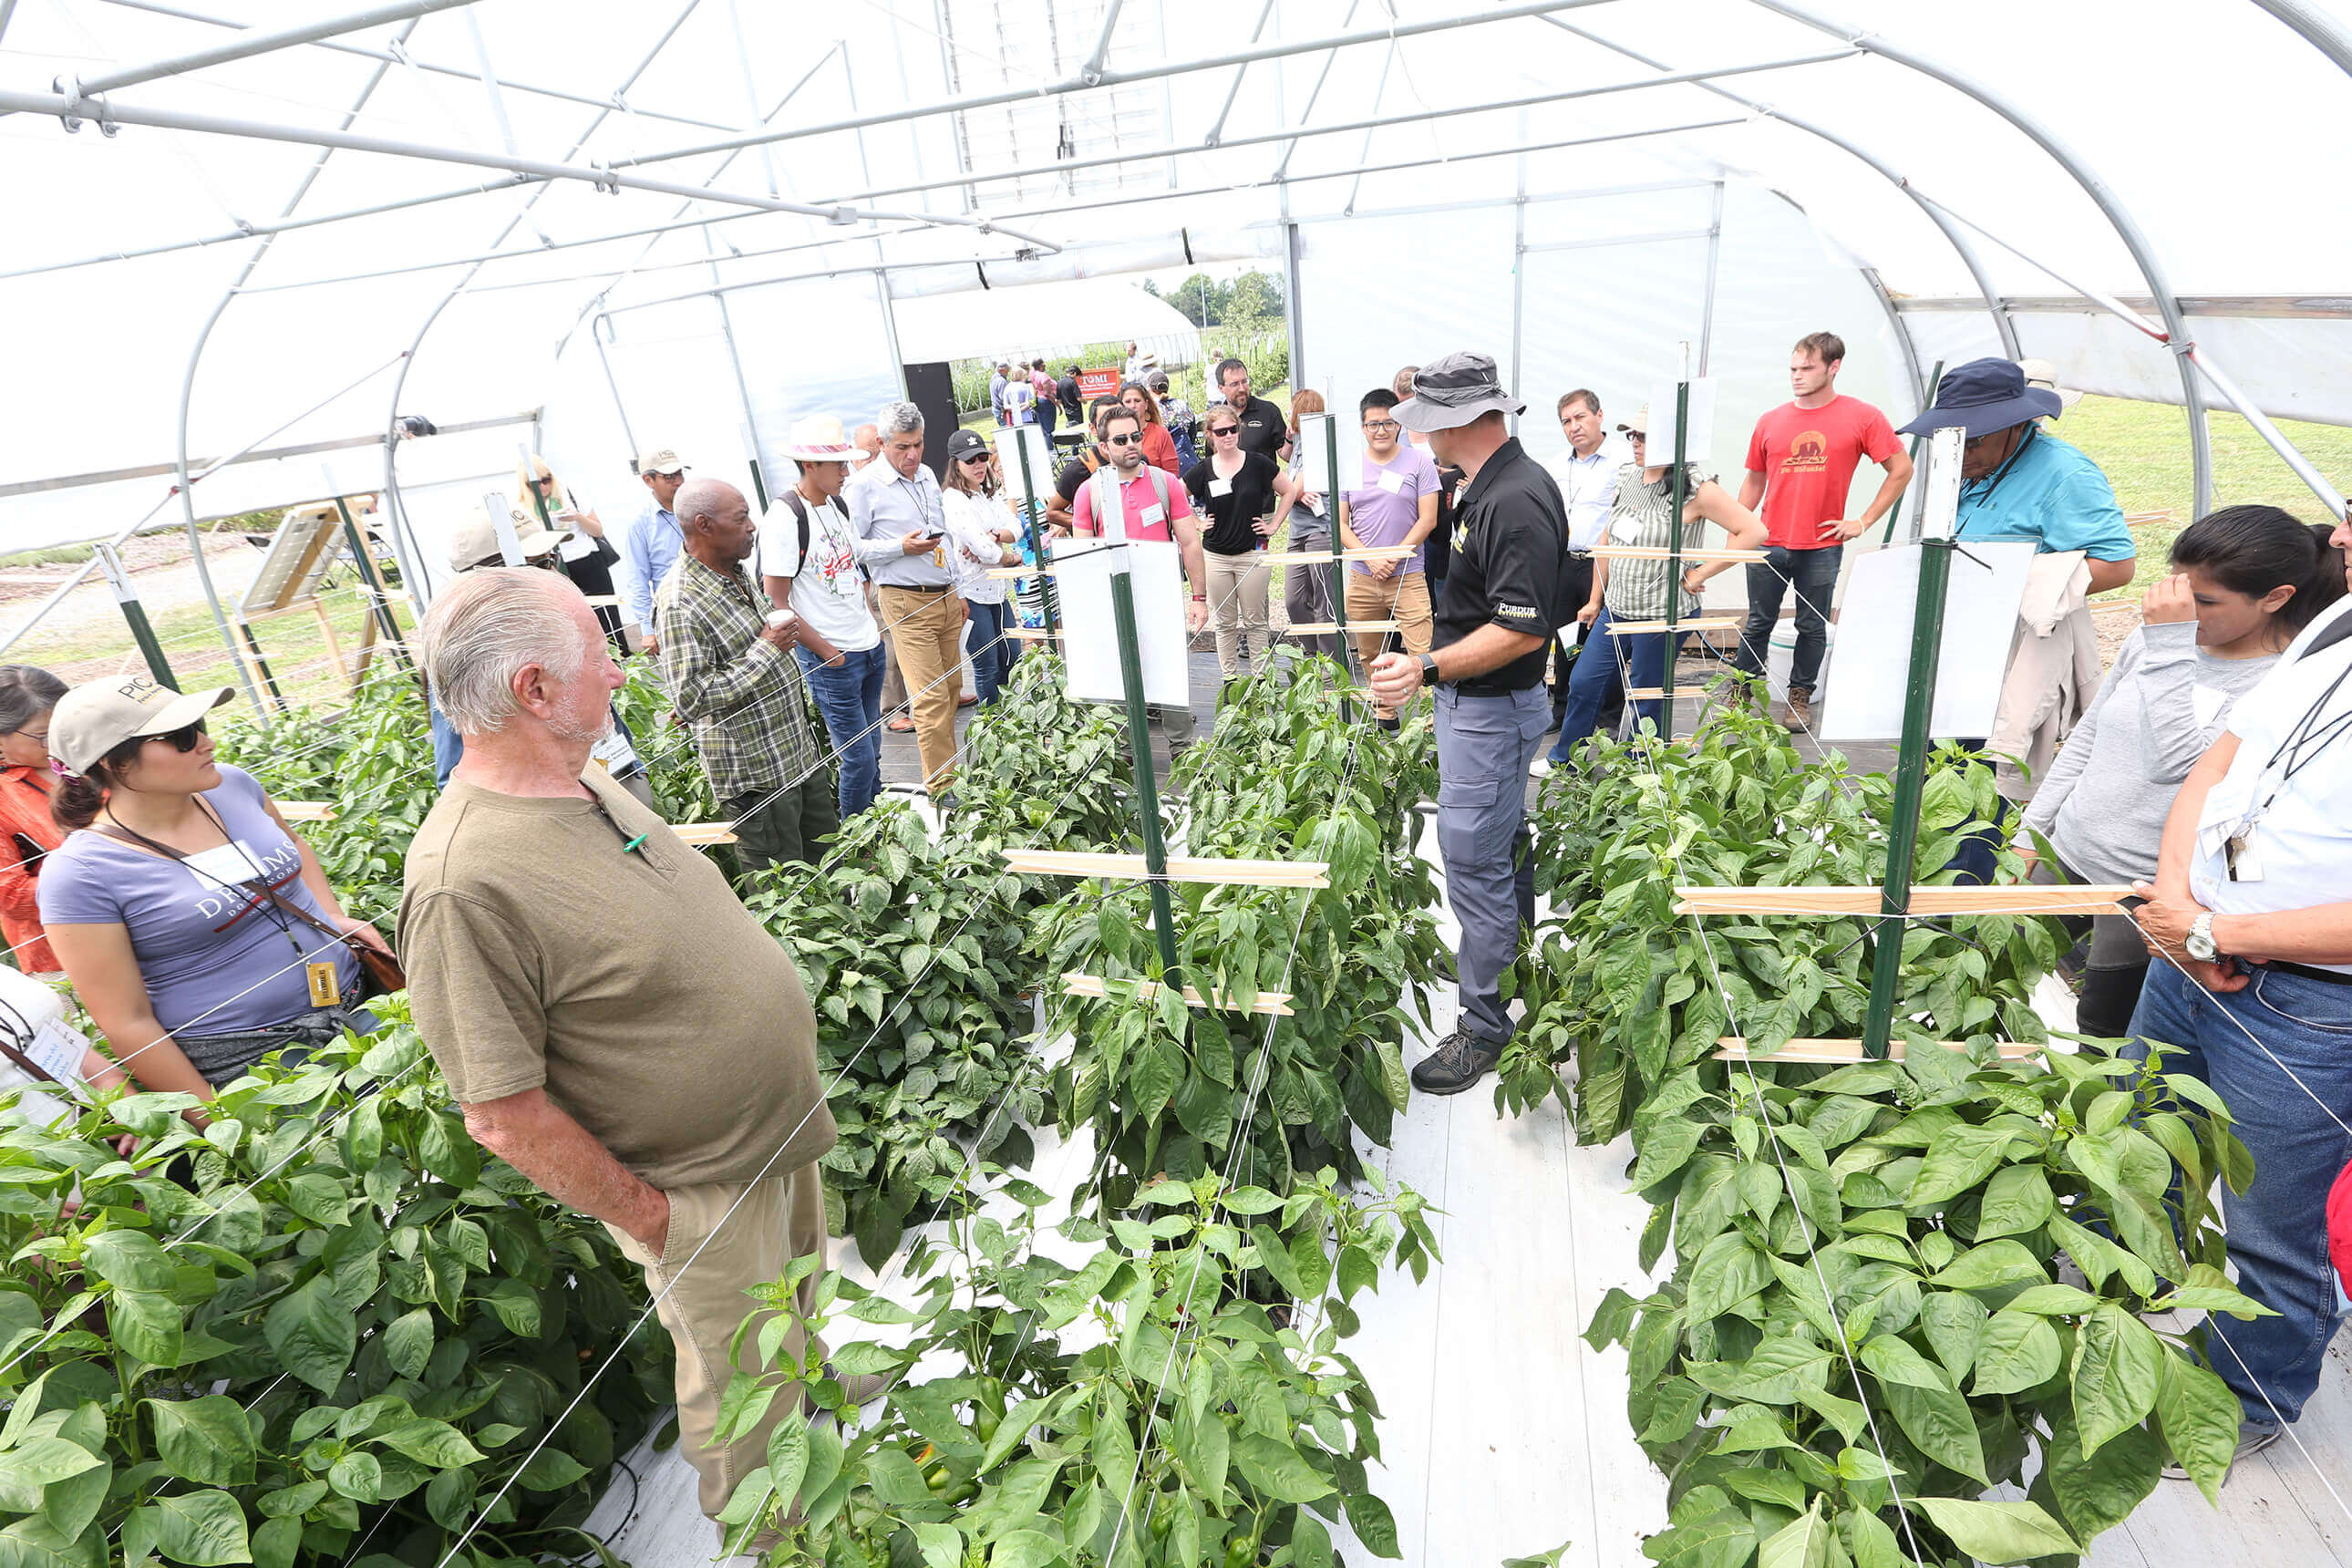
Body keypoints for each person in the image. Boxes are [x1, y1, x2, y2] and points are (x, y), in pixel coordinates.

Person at [398, 567, 876, 1532]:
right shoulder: (462, 882)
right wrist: (657, 1221)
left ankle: (816, 1379)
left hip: (766, 1138)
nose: (619, 673)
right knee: (738, 1387)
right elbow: (500, 1113)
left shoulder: (581, 778)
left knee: (793, 1294)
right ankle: (780, 1534)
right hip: (695, 1184)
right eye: (598, 656)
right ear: (534, 688)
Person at [2123, 511, 2352, 1465]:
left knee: (2274, 1229)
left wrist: (2217, 929)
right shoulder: (2335, 628)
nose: (2343, 536)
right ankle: (2121, 1308)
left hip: (2308, 1003)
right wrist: (2176, 905)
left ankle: (2241, 1407)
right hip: (2189, 955)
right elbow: (2217, 766)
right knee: (2140, 1144)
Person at [2019, 506, 2344, 1037]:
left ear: (2275, 598)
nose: (2187, 611)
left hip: (2149, 887)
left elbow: (2174, 767)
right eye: (2179, 588)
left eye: (2206, 601)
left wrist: (2171, 647)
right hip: (2068, 851)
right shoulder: (2151, 640)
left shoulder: (2282, 683)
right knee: (2000, 973)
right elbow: (2087, 738)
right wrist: (2030, 835)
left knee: (2102, 1023)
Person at [1365, 355, 1570, 1097]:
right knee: (1500, 842)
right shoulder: (1492, 485)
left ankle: (1483, 1026)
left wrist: (1425, 668)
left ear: (1459, 420)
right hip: (1486, 708)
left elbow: (1520, 628)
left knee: (1474, 862)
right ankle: (1511, 971)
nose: (1417, 433)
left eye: (1426, 420)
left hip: (1488, 711)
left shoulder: (1512, 500)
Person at [40, 676, 391, 1093]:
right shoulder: (80, 874)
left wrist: (330, 915)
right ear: (111, 762)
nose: (206, 743)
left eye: (199, 726)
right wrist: (215, 1117)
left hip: (358, 999)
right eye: (182, 737)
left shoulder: (233, 785)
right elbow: (127, 1023)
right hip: (255, 1064)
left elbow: (294, 844)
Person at [1550, 406, 1767, 763]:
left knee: (1646, 695)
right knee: (1584, 682)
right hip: (1617, 608)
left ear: (1672, 441)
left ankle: (1641, 770)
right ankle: (1566, 760)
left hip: (1661, 614)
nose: (1635, 442)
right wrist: (1595, 599)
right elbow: (1608, 538)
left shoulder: (1696, 488)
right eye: (1631, 435)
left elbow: (1753, 531)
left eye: (1644, 436)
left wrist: (1701, 572)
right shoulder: (1627, 475)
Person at [1728, 332, 1914, 729]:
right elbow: (1754, 481)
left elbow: (1901, 469)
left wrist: (1862, 521)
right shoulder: (1770, 420)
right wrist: (1736, 533)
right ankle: (1741, 692)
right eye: (1793, 369)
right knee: (1758, 621)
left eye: (1807, 368)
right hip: (1767, 540)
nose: (1796, 376)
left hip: (1822, 545)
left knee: (1812, 624)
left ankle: (1800, 697)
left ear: (1834, 367)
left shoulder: (1863, 416)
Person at [658, 480, 840, 872]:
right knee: (783, 889)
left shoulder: (735, 572)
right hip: (757, 780)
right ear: (705, 525)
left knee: (829, 869)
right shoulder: (680, 602)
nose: (752, 526)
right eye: (741, 518)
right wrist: (767, 648)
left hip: (797, 755)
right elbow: (690, 698)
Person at [430, 507, 655, 808]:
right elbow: (457, 780)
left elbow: (607, 716)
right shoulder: (468, 661)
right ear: (491, 577)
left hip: (619, 787)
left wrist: (635, 771)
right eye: (541, 564)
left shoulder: (558, 626)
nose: (555, 574)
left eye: (553, 559)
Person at [759, 416, 888, 820]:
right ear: (810, 465)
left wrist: (870, 622)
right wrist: (828, 652)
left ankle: (877, 824)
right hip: (833, 658)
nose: (845, 472)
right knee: (857, 758)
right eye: (837, 465)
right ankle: (856, 836)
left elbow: (852, 564)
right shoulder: (784, 517)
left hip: (866, 646)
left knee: (873, 749)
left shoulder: (837, 504)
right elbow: (775, 600)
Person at [1072, 405, 1214, 748]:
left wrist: (1198, 598)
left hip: (1161, 598)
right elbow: (1082, 558)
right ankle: (1124, 750)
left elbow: (1189, 542)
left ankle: (1182, 749)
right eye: (1120, 440)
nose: (1131, 445)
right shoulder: (1089, 492)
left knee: (1171, 673)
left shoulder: (1165, 483)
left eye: (1135, 436)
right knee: (1117, 676)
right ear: (1103, 446)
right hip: (1113, 603)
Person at [848, 401, 967, 793]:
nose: (913, 454)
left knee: (951, 690)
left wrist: (957, 588)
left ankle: (949, 773)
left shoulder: (927, 475)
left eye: (918, 444)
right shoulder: (863, 486)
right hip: (905, 600)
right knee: (930, 699)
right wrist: (900, 547)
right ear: (881, 445)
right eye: (902, 447)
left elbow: (943, 537)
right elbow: (851, 548)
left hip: (943, 594)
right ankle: (943, 789)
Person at [1338, 388, 1441, 723]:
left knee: (1422, 650)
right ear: (1363, 427)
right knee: (1370, 652)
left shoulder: (1419, 463)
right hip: (1363, 576)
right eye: (1373, 424)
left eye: (1387, 423)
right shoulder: (1350, 466)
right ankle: (1384, 712)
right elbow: (1340, 524)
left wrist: (1394, 557)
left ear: (1398, 425)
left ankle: (1429, 720)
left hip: (1408, 574)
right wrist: (1370, 558)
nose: (1380, 430)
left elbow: (1428, 519)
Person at [1183, 397, 1301, 685]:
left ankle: (1261, 682)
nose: (1228, 436)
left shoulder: (1258, 463)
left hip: (1252, 552)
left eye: (1233, 430)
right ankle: (1230, 680)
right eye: (1221, 431)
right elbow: (1177, 494)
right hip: (1216, 555)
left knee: (1255, 621)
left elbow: (1289, 490)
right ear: (1210, 435)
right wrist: (1197, 522)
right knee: (1225, 622)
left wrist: (1274, 524)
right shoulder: (1204, 469)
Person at [1541, 388, 1627, 740]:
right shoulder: (1555, 465)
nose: (1574, 426)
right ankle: (1563, 709)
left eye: (1580, 417)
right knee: (1566, 639)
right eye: (1566, 421)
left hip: (1604, 563)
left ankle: (1609, 714)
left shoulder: (1622, 461)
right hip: (1565, 561)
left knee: (1606, 640)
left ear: (1599, 415)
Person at [941, 428, 1026, 706]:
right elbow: (982, 550)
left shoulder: (987, 495)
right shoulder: (953, 499)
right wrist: (1007, 556)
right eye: (970, 460)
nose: (978, 465)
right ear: (956, 464)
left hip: (997, 590)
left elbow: (1017, 527)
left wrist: (994, 535)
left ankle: (1008, 716)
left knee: (1012, 657)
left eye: (982, 458)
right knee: (986, 664)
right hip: (971, 593)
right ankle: (991, 722)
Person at [0, 666, 69, 978]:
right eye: (43, 735)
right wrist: (101, 887)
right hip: (62, 959)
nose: (58, 740)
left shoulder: (89, 758)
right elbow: (10, 895)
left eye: (64, 725)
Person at [519, 457, 626, 644]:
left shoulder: (568, 493)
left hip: (587, 559)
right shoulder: (523, 509)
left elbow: (597, 530)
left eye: (546, 480)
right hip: (556, 567)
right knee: (575, 622)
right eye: (534, 484)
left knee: (608, 615)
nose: (543, 487)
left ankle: (621, 653)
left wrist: (577, 517)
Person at [1277, 394, 1345, 665]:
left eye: (1291, 410)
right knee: (1293, 600)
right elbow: (1289, 483)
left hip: (1320, 530)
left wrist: (1293, 492)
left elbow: (1290, 489)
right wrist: (1294, 492)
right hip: (1298, 531)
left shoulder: (1318, 445)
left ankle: (1331, 662)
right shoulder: (1299, 444)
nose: (1287, 414)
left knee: (1323, 599)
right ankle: (1312, 652)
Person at [1395, 365, 1460, 604]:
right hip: (1406, 519)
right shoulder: (1395, 431)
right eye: (1401, 404)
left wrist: (1438, 472)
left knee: (1438, 581)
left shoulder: (1443, 428)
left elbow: (1463, 467)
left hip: (1440, 521)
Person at [618, 447, 689, 655]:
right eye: (669, 477)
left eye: (679, 473)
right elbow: (638, 578)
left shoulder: (699, 506)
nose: (678, 481)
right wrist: (648, 629)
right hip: (676, 611)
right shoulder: (641, 523)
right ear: (648, 480)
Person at [1046, 397, 1127, 534]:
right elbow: (1052, 512)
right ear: (1093, 429)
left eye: (1120, 419)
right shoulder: (1078, 470)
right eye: (1106, 421)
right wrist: (1090, 524)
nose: (1115, 427)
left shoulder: (1138, 461)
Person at [1217, 357, 1290, 467]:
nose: (1242, 389)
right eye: (1235, 384)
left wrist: (1290, 439)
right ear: (1221, 388)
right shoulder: (1216, 420)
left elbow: (1286, 456)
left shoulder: (1269, 412)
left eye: (1244, 382)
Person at [1120, 381, 1181, 476]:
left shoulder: (1160, 434)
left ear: (1146, 404)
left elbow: (1172, 474)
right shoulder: (1115, 436)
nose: (1133, 406)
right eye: (1128, 402)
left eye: (1137, 401)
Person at [1150, 367, 1198, 470]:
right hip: (1189, 459)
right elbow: (1193, 432)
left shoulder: (1151, 409)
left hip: (1167, 464)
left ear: (1150, 389)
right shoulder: (1182, 404)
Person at [1031, 357, 1059, 442]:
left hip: (1039, 400)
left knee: (1043, 427)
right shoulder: (1043, 375)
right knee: (1049, 429)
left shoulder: (1033, 374)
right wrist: (1057, 404)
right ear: (1041, 366)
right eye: (1044, 365)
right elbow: (1048, 393)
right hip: (1046, 402)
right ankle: (1050, 448)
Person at [1001, 363, 1037, 428]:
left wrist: (1015, 409)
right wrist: (1020, 408)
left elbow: (1006, 406)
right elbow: (1028, 404)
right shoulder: (1025, 387)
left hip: (1013, 420)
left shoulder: (1007, 388)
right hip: (1026, 418)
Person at [1056, 364, 1084, 429]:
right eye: (1077, 377)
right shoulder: (1072, 382)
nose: (1076, 379)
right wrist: (1085, 401)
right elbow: (1079, 398)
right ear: (1075, 373)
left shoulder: (1060, 382)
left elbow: (1058, 400)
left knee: (1071, 428)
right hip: (1076, 410)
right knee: (1079, 428)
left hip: (1067, 410)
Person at [988, 361, 1011, 427]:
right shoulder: (1001, 381)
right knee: (1006, 428)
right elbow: (1003, 398)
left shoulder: (993, 378)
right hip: (1001, 410)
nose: (1008, 373)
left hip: (996, 408)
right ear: (1001, 370)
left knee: (1003, 427)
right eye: (1007, 371)